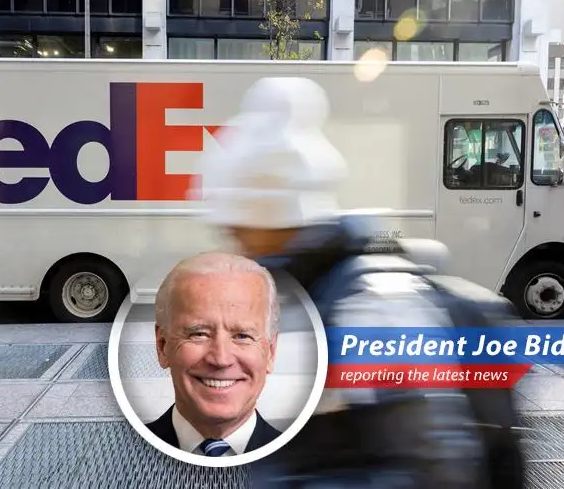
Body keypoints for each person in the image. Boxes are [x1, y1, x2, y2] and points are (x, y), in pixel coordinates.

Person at [194, 76, 524, 488]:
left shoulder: (369, 307)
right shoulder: (303, 292)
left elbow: (437, 468)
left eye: (240, 229)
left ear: (272, 216)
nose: (236, 244)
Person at [146, 251, 282, 457]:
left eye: (243, 336)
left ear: (270, 352)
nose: (221, 359)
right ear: (162, 345)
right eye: (198, 334)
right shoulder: (113, 457)